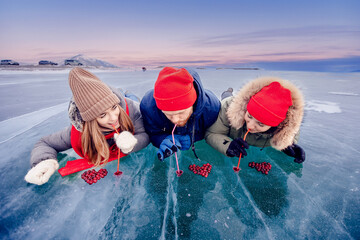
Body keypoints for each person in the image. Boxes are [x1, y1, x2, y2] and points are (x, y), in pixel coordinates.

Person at [25, 67, 149, 185]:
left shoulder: (131, 109)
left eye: (114, 107)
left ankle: (125, 93)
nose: (113, 117)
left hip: (129, 100)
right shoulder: (78, 132)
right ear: (90, 120)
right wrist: (44, 162)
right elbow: (45, 143)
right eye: (102, 115)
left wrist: (133, 143)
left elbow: (145, 133)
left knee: (132, 98)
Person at [205, 77, 306, 163]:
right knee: (226, 97)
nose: (250, 126)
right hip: (229, 102)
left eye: (260, 124)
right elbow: (212, 133)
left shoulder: (287, 128)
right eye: (249, 116)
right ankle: (228, 92)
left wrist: (287, 145)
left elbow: (288, 137)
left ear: (276, 126)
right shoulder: (228, 107)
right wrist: (228, 145)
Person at [140, 67, 221, 161]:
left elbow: (211, 131)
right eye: (168, 114)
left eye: (181, 113)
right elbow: (152, 132)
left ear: (193, 104)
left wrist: (193, 137)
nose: (175, 120)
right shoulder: (148, 107)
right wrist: (161, 139)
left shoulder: (212, 108)